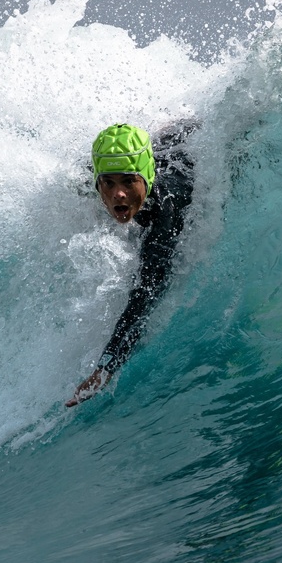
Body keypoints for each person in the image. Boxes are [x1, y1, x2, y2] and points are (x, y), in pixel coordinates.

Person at [66, 121, 196, 407]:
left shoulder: (166, 209)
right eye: (108, 183)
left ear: (146, 180)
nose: (118, 194)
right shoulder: (96, 182)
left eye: (128, 181)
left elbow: (146, 293)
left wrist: (107, 366)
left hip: (190, 148)